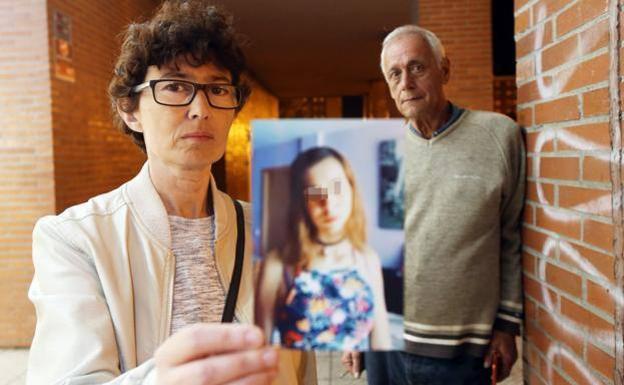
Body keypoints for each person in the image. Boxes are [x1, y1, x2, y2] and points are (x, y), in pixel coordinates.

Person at [26, 2, 314, 384]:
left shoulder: (274, 229)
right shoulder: (76, 239)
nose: (200, 108)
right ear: (131, 110)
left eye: (216, 88)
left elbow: (300, 371)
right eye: (175, 86)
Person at [343, 25, 525, 384]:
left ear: (445, 69)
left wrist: (506, 327)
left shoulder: (499, 136)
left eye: (417, 67)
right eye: (394, 74)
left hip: (461, 352)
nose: (406, 83)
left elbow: (512, 236)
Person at [255, 146, 392, 352]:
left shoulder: (368, 258)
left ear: (351, 188)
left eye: (336, 187)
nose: (328, 203)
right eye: (315, 192)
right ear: (302, 203)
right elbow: (258, 351)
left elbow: (382, 345)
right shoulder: (277, 265)